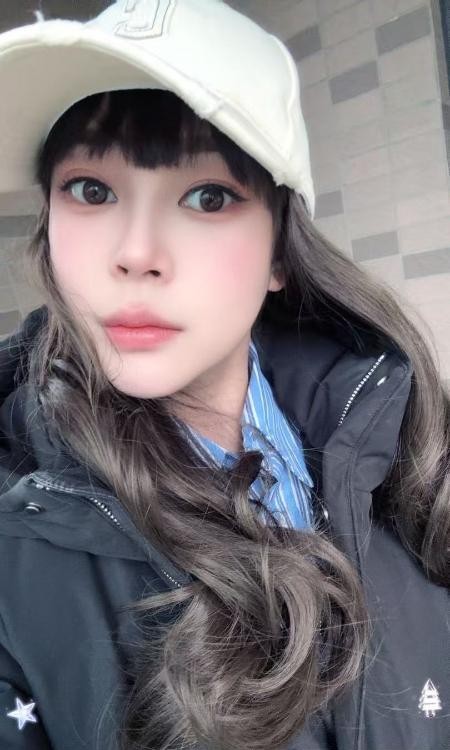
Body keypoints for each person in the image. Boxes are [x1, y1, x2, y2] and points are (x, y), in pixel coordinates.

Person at [0, 1, 448, 748]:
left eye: (207, 197)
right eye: (91, 190)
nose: (136, 254)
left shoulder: (407, 447)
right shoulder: (17, 547)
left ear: (280, 252)